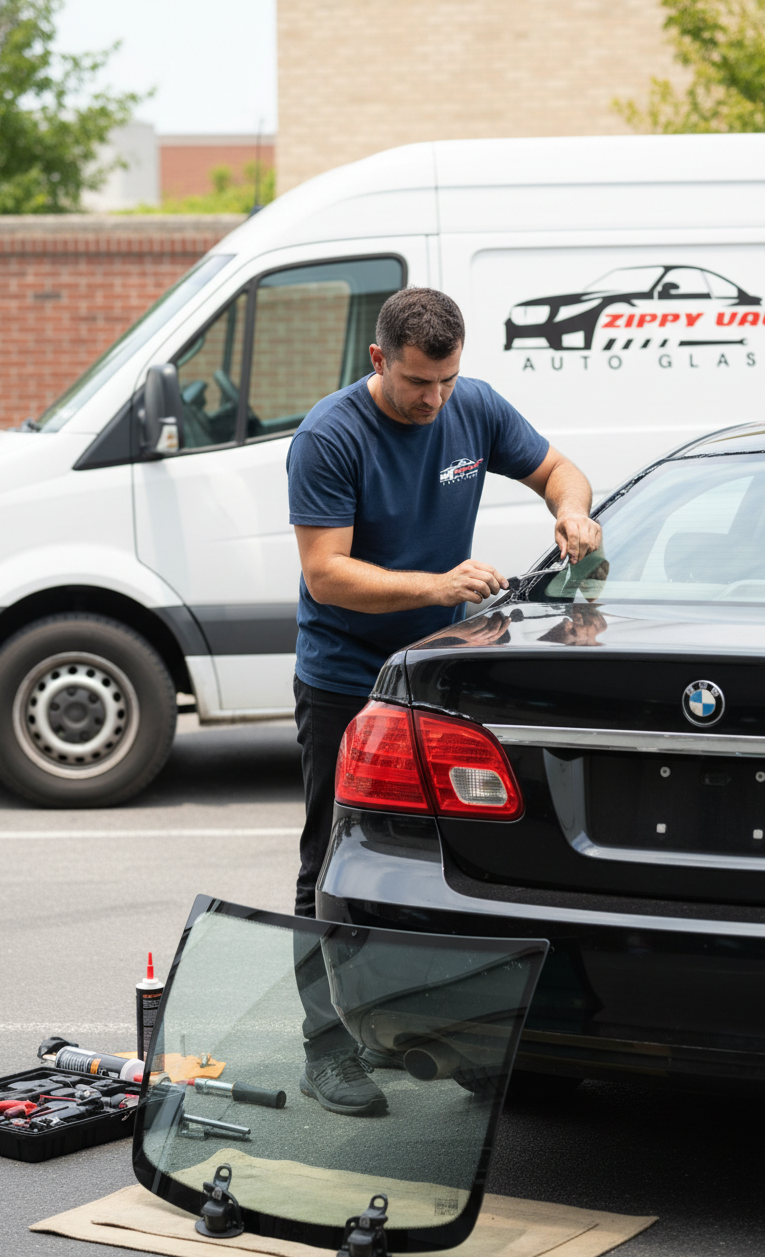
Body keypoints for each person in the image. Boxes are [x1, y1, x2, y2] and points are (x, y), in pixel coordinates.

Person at [286, 287, 601, 1116]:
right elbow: (326, 571)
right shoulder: (331, 434)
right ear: (378, 360)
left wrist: (571, 512)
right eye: (419, 382)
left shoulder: (473, 408)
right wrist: (437, 584)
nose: (434, 400)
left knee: (453, 860)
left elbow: (560, 470)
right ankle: (329, 1048)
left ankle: (448, 1034)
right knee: (334, 858)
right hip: (346, 677)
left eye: (448, 380)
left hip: (437, 676)